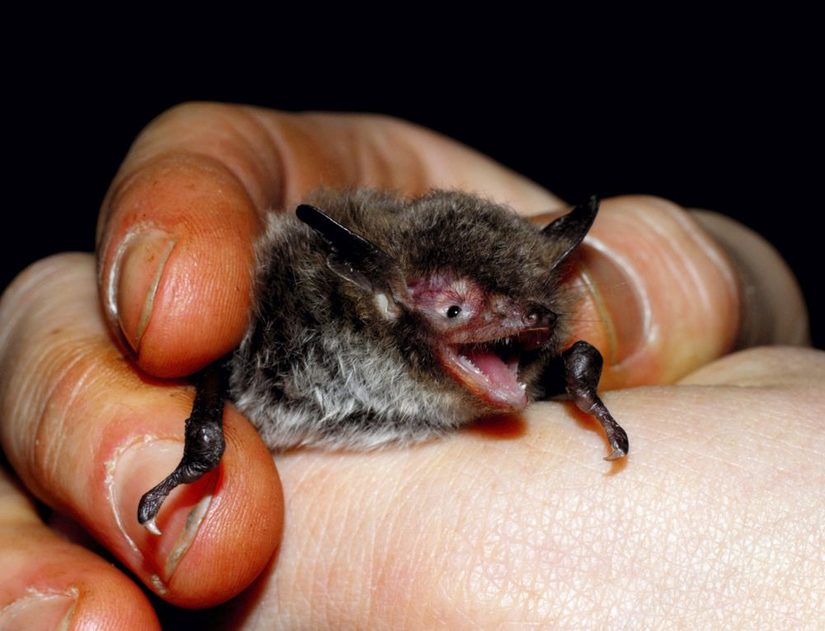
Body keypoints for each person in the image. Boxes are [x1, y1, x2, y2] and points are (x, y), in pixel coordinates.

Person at [0, 104, 819, 628]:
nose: (520, 331)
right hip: (246, 400)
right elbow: (210, 356)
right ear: (383, 298)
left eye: (532, 316)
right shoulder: (293, 304)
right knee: (182, 329)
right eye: (460, 310)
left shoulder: (524, 358)